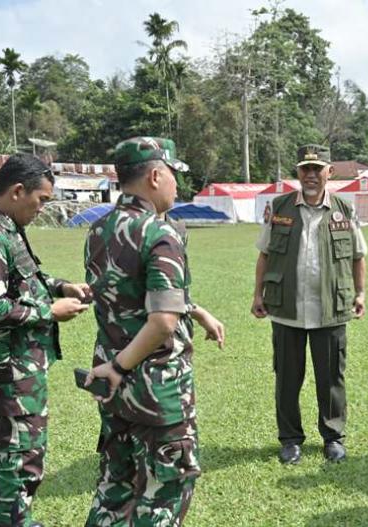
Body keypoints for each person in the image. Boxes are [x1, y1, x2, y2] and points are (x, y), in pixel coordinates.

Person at [83, 137, 225, 526]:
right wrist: (121, 366)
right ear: (156, 175)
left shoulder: (97, 230)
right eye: (174, 176)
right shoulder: (160, 233)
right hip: (156, 389)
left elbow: (129, 295)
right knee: (162, 494)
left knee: (115, 488)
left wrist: (194, 310)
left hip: (112, 388)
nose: (177, 187)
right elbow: (162, 320)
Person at [0, 153, 90, 527]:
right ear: (18, 191)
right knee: (18, 452)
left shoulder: (5, 227)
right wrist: (51, 311)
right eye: (41, 200)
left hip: (18, 361)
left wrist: (63, 286)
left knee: (9, 444)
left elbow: (26, 279)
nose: (41, 208)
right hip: (6, 364)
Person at [251, 144, 367, 465]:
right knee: (287, 377)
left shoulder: (344, 209)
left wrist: (361, 294)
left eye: (318, 169)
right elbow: (264, 254)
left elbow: (358, 256)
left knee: (331, 377)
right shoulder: (279, 207)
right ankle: (290, 439)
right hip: (287, 307)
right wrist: (257, 294)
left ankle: (333, 437)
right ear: (298, 172)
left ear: (330, 171)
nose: (312, 175)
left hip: (331, 307)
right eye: (306, 169)